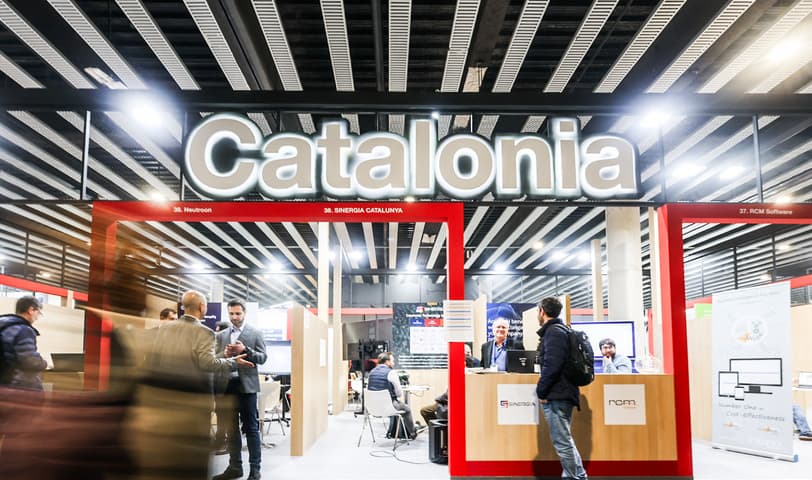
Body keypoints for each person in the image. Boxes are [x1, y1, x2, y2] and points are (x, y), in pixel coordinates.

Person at [129, 290, 254, 480]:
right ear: (202, 307)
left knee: (169, 453)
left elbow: (154, 362)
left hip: (166, 401)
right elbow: (207, 364)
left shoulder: (164, 329)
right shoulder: (205, 332)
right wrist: (234, 362)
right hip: (195, 403)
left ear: (183, 307)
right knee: (194, 456)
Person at [213, 300, 267, 480]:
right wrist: (225, 354)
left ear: (244, 313)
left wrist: (246, 350)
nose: (234, 317)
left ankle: (255, 469)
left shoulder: (255, 332)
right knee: (231, 429)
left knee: (251, 428)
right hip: (227, 386)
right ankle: (235, 467)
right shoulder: (221, 335)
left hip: (247, 387)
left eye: (238, 313)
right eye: (231, 314)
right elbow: (214, 359)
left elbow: (262, 358)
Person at [535, 296, 587, 479]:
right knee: (565, 440)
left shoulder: (554, 332)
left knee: (562, 443)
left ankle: (573, 477)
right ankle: (579, 476)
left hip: (557, 395)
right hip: (563, 393)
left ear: (542, 311)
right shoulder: (561, 330)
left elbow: (552, 365)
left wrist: (541, 391)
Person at [368, 351, 419, 439]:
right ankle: (412, 433)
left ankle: (395, 431)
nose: (393, 363)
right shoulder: (391, 373)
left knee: (398, 405)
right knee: (407, 409)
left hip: (373, 407)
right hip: (388, 406)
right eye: (392, 361)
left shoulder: (371, 372)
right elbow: (399, 393)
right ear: (387, 362)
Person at [0, 296, 47, 390]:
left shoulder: (4, 326)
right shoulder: (24, 330)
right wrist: (44, 363)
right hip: (19, 386)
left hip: (3, 382)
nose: (37, 318)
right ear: (31, 310)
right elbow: (29, 360)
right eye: (38, 313)